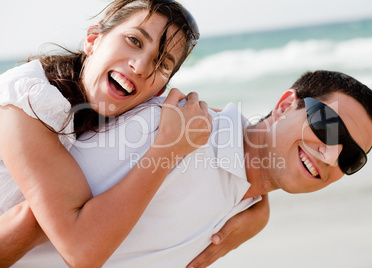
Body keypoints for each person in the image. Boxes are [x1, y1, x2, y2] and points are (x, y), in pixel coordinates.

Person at [5, 70, 372, 267]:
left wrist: (260, 207)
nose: (330, 156)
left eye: (351, 156)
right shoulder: (168, 130)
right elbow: (29, 213)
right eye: (327, 125)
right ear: (286, 104)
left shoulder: (245, 201)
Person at [0, 0, 270, 267]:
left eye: (161, 64)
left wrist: (261, 204)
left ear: (160, 91)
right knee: (30, 219)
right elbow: (81, 251)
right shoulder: (25, 101)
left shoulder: (118, 113)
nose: (140, 67)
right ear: (93, 39)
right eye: (134, 40)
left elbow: (225, 124)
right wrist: (166, 149)